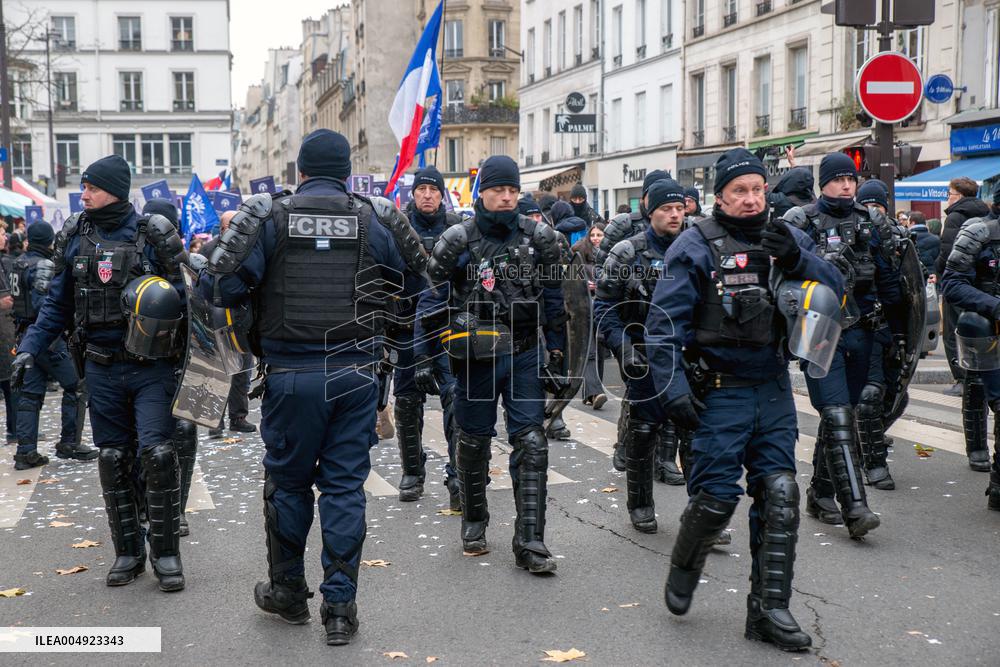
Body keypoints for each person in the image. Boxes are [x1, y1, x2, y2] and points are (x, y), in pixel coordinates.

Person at [201, 129, 410, 645]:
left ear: (299, 171)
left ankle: (289, 595)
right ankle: (340, 610)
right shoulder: (374, 217)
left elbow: (219, 285)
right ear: (346, 171)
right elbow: (413, 288)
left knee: (289, 485)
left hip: (292, 373)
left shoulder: (271, 216)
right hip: (357, 374)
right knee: (343, 489)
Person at [647, 148, 843, 651]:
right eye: (741, 191)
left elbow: (838, 291)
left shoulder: (789, 238)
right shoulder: (693, 245)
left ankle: (769, 610)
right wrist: (672, 390)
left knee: (780, 495)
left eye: (758, 188)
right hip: (718, 392)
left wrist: (799, 259)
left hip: (773, 388)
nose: (752, 198)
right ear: (720, 197)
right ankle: (685, 566)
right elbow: (662, 327)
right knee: (714, 499)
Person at [12, 155, 190, 591]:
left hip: (152, 367)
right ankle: (128, 552)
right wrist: (29, 351)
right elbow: (56, 303)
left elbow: (188, 298)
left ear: (114, 189)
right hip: (101, 366)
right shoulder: (74, 234)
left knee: (158, 453)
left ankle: (166, 552)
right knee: (114, 458)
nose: (84, 194)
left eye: (91, 187)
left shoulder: (153, 235)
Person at [416, 155, 566, 572]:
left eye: (512, 190)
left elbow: (556, 298)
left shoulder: (540, 238)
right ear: (481, 192)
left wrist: (557, 353)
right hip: (476, 354)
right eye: (498, 190)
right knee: (473, 440)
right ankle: (475, 520)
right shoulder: (457, 239)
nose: (505, 197)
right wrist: (425, 356)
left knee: (532, 443)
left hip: (522, 351)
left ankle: (531, 541)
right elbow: (432, 300)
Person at [790, 154, 904, 527]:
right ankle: (854, 506)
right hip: (819, 330)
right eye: (838, 179)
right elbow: (783, 282)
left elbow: (890, 281)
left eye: (850, 179)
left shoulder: (872, 222)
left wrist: (897, 334)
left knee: (845, 415)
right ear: (823, 183)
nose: (846, 186)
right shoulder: (800, 221)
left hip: (862, 331)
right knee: (836, 413)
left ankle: (819, 494)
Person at [595, 179, 687, 532]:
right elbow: (604, 305)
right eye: (667, 209)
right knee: (644, 430)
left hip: (685, 352)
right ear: (651, 212)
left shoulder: (697, 247)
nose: (674, 214)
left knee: (694, 431)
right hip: (644, 352)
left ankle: (704, 510)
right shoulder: (627, 251)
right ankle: (640, 504)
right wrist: (622, 346)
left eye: (679, 208)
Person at [395, 165, 461, 506]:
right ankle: (412, 471)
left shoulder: (457, 229)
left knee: (456, 400)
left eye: (433, 189)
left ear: (441, 194)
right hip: (407, 329)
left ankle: (457, 473)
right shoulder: (399, 228)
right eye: (421, 189)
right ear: (413, 193)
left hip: (448, 330)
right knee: (407, 402)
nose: (427, 195)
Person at [8, 221, 94, 469]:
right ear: (48, 240)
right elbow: (45, 307)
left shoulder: (18, 262)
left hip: (25, 335)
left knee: (30, 394)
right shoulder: (43, 265)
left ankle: (26, 451)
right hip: (46, 338)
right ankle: (69, 442)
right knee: (77, 385)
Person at [940, 210, 1000, 510]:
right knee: (982, 390)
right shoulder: (979, 234)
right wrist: (994, 306)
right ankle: (980, 452)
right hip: (987, 329)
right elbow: (952, 284)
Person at [198, 209, 257, 438]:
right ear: (222, 228)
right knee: (217, 374)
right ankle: (215, 422)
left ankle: (238, 417)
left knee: (243, 370)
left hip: (241, 320)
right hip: (216, 320)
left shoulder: (248, 247)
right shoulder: (208, 249)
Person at [938, 177, 990, 397]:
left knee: (952, 332)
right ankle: (981, 376)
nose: (947, 198)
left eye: (949, 193)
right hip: (980, 283)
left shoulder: (955, 216)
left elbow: (948, 253)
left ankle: (962, 379)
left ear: (958, 195)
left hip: (958, 281)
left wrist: (938, 271)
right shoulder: (985, 213)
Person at [572, 223, 607, 410]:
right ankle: (595, 391)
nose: (595, 238)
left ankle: (591, 393)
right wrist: (585, 284)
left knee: (599, 349)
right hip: (584, 307)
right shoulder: (578, 253)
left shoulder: (611, 254)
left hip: (603, 306)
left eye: (599, 234)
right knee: (590, 350)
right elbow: (569, 279)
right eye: (592, 235)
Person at [0, 225, 18, 446]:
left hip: (6, 333)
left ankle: (15, 430)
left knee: (13, 384)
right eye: (2, 233)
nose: (5, 237)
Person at [904, 211, 940, 277]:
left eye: (908, 222)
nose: (907, 225)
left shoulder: (907, 238)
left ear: (912, 223)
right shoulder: (936, 239)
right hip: (932, 275)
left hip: (913, 274)